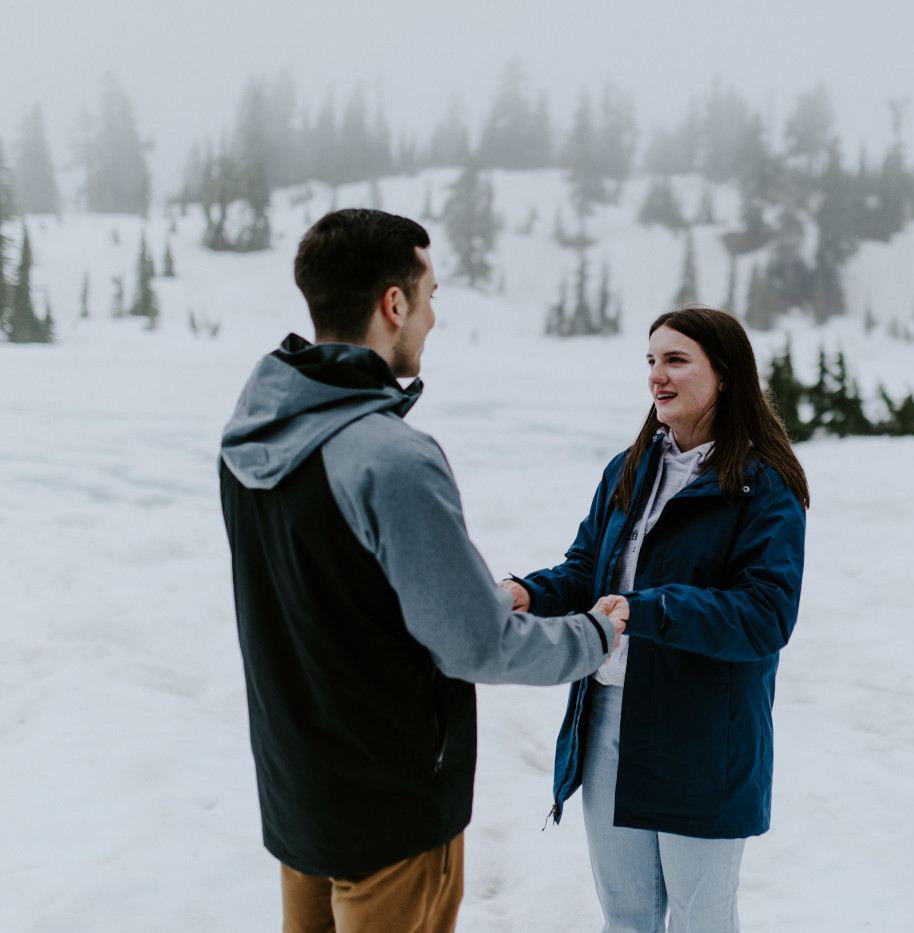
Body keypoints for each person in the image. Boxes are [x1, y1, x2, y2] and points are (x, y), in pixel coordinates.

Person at [218, 208, 626, 933]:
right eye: (431, 294)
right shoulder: (389, 457)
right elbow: (476, 645)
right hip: (391, 812)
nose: (434, 317)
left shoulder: (250, 438)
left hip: (299, 792)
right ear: (393, 303)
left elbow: (329, 597)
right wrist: (593, 635)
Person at [501, 305, 809, 933]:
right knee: (628, 916)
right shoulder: (629, 468)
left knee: (703, 919)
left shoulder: (763, 485)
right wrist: (525, 593)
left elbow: (764, 614)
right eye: (650, 361)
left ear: (724, 374)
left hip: (702, 733)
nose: (656, 377)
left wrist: (648, 610)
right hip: (609, 718)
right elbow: (588, 570)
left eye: (675, 361)